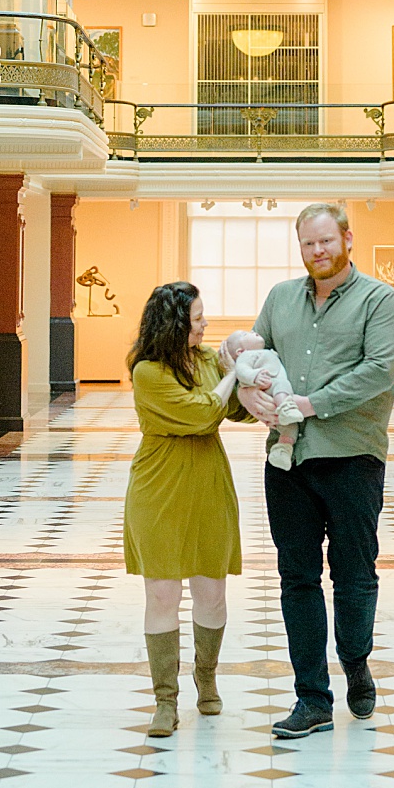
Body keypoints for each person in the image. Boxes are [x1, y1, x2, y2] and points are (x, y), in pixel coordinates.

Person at [240, 200, 394, 741]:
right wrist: (249, 392)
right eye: (309, 244)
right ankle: (311, 698)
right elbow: (256, 358)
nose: (318, 252)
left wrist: (310, 404)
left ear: (347, 239)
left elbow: (379, 370)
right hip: (287, 461)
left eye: (326, 242)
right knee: (297, 579)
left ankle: (356, 664)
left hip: (353, 458)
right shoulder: (281, 299)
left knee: (354, 575)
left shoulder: (379, 299)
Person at [122, 279, 243, 737]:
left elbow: (237, 410)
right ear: (175, 325)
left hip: (208, 482)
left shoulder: (208, 360)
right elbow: (201, 413)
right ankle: (165, 700)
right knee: (162, 594)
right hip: (159, 487)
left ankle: (206, 678)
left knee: (212, 590)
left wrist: (257, 381)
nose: (206, 325)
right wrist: (233, 377)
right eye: (197, 319)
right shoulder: (148, 372)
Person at [215, 328, 303, 470]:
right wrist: (254, 377)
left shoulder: (270, 352)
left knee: (291, 427)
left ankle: (282, 450)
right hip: (269, 386)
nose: (252, 332)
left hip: (274, 396)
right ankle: (286, 407)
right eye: (245, 334)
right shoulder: (247, 356)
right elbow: (241, 370)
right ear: (240, 351)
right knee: (282, 385)